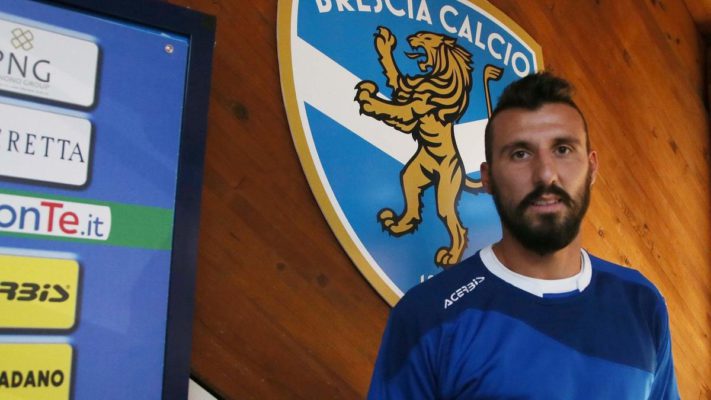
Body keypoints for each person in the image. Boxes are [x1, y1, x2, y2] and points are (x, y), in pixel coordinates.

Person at [367, 72, 680, 399]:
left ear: (591, 168)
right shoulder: (427, 315)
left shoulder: (642, 303)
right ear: (487, 178)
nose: (545, 174)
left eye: (562, 149)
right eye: (520, 154)